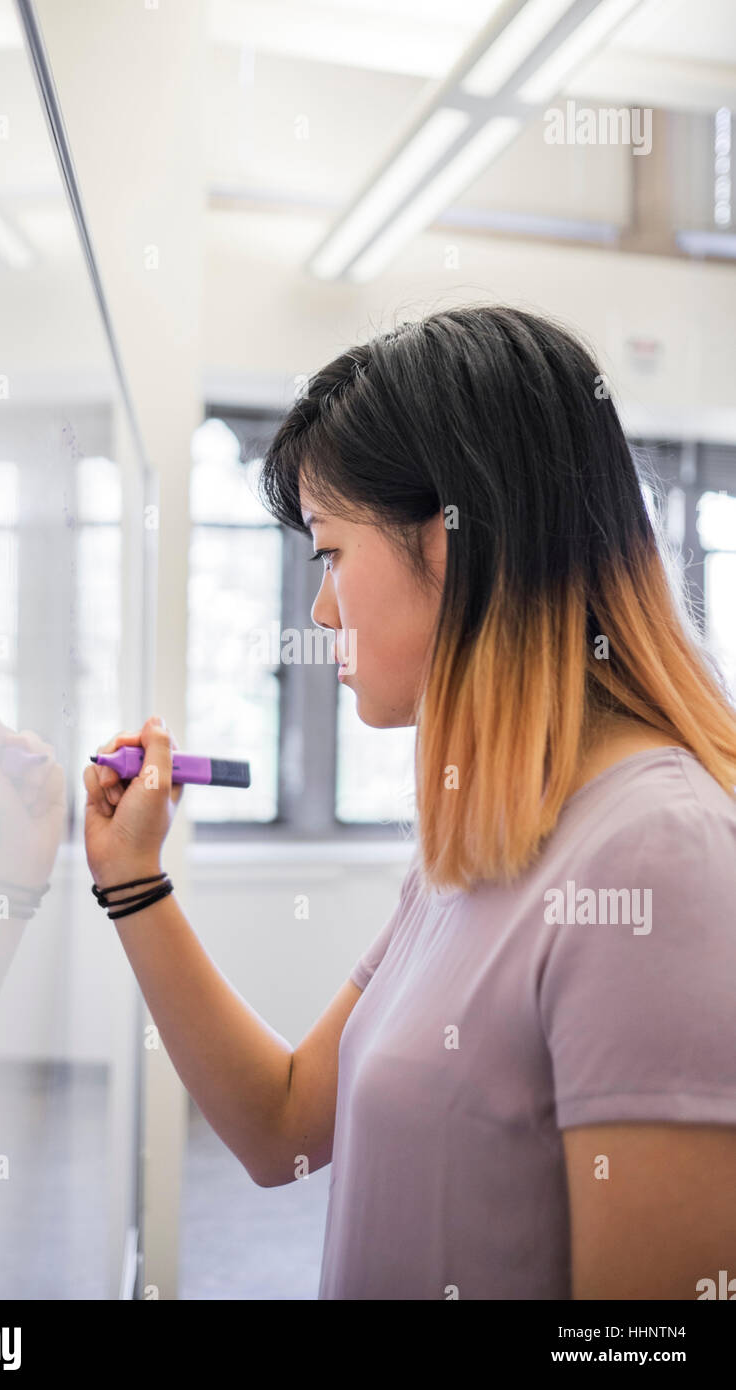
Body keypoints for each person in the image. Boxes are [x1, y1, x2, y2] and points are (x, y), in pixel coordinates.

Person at [83, 305, 736, 1300]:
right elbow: (284, 1126)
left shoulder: (654, 855)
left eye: (329, 553)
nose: (319, 609)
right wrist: (133, 881)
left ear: (451, 542)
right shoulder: (483, 839)